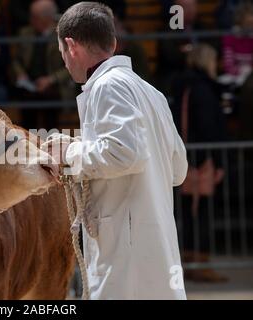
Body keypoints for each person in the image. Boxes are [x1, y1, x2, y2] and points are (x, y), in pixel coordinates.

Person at [44, 2, 188, 299]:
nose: (65, 63)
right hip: (151, 240)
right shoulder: (151, 92)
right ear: (112, 42)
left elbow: (123, 153)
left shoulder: (108, 86)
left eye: (62, 54)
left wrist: (69, 153)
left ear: (71, 46)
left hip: (126, 247)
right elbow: (178, 169)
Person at [171, 44, 228, 282]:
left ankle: (188, 262)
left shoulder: (183, 87)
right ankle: (199, 264)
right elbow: (208, 128)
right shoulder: (203, 90)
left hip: (186, 159)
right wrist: (215, 161)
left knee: (187, 213)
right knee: (201, 213)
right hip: (200, 162)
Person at [12, 0, 74, 130]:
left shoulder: (63, 35)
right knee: (27, 108)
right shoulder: (25, 33)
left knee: (50, 109)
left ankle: (50, 144)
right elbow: (16, 60)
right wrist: (20, 74)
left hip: (53, 86)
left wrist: (50, 80)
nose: (31, 20)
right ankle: (27, 144)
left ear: (47, 19)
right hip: (29, 84)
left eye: (35, 17)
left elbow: (71, 66)